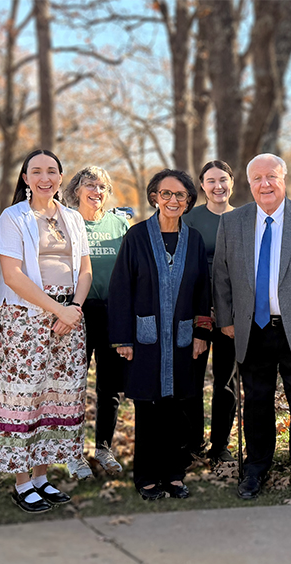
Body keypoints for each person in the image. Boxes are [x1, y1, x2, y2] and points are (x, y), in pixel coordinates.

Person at [212, 153, 291, 501]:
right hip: (251, 329)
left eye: (271, 177)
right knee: (256, 401)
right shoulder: (233, 222)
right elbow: (221, 276)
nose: (264, 184)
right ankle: (256, 469)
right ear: (248, 184)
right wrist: (225, 320)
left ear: (284, 179)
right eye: (257, 178)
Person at [0, 149, 91, 513]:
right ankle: (22, 481)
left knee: (56, 397)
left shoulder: (73, 217)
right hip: (26, 319)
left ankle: (42, 477)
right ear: (25, 178)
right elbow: (12, 275)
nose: (45, 178)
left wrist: (73, 309)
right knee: (25, 397)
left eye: (52, 171)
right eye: (36, 171)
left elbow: (85, 269)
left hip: (69, 319)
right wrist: (58, 309)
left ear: (61, 177)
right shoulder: (14, 217)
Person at [107, 169, 211, 500]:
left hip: (182, 339)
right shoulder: (136, 236)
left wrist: (201, 332)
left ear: (189, 201)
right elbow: (121, 288)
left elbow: (202, 290)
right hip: (145, 338)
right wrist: (122, 339)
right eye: (166, 194)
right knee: (149, 408)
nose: (172, 200)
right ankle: (147, 477)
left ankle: (174, 474)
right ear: (154, 197)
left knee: (177, 407)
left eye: (180, 195)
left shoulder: (193, 240)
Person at [63, 166, 129, 477]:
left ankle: (103, 448)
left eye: (102, 186)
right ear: (76, 189)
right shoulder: (66, 221)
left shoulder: (119, 224)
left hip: (113, 311)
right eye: (90, 185)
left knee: (110, 385)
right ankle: (72, 453)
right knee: (74, 384)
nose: (97, 191)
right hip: (76, 310)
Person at [182, 160, 237, 463]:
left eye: (223, 180)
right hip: (196, 312)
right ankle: (192, 443)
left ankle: (220, 444)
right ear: (202, 186)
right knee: (193, 379)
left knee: (225, 381)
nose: (218, 186)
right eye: (211, 181)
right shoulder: (191, 219)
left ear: (232, 182)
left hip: (231, 313)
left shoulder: (244, 218)